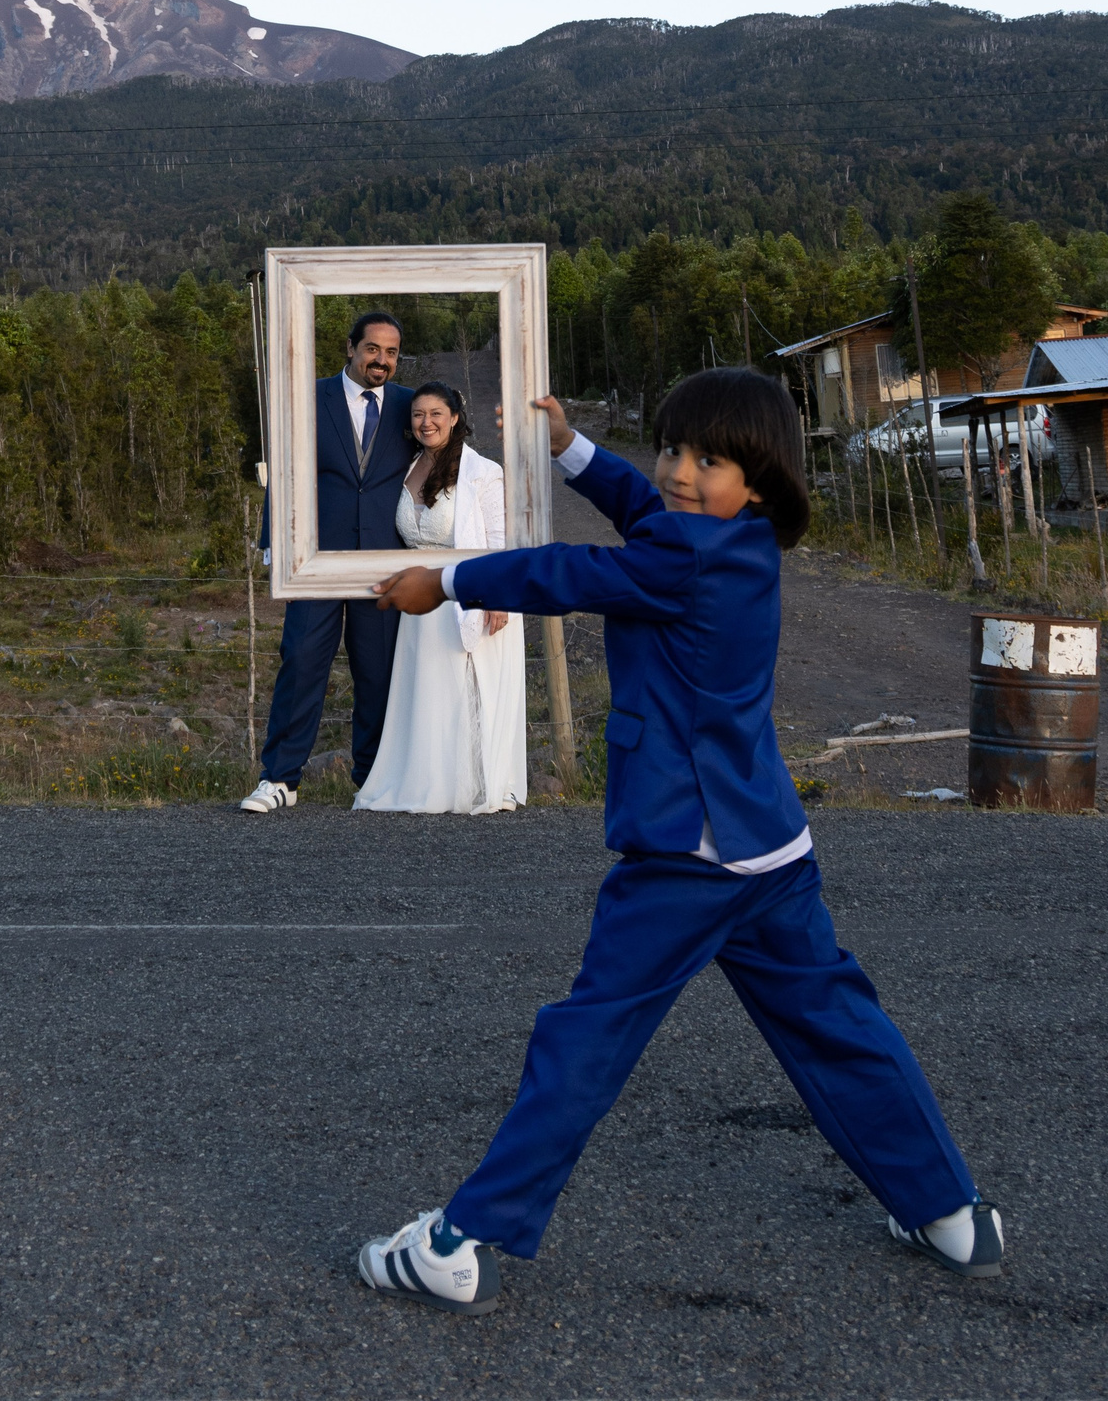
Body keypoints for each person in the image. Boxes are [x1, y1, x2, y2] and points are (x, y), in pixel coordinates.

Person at [352, 369, 1000, 1315]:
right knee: (839, 1027)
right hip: (767, 847)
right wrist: (574, 450)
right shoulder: (739, 540)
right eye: (671, 449)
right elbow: (651, 514)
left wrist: (444, 579)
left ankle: (461, 1240)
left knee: (584, 1038)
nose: (679, 472)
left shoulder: (684, 560)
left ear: (762, 481)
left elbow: (569, 573)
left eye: (709, 460)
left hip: (686, 856)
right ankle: (949, 1212)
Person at [239, 312, 416, 812]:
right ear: (350, 347)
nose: (381, 360)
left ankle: (373, 782)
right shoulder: (308, 396)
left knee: (378, 672)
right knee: (301, 661)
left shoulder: (409, 406)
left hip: (384, 562)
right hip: (315, 558)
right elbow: (285, 467)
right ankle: (280, 779)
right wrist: (273, 541)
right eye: (372, 348)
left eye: (391, 352)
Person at [353, 381, 526, 815]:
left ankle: (485, 783)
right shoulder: (407, 467)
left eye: (435, 414)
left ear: (454, 418)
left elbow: (501, 540)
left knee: (474, 686)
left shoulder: (482, 472)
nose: (426, 422)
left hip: (471, 591)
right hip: (419, 602)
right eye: (418, 414)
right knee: (429, 692)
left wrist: (497, 597)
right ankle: (432, 782)